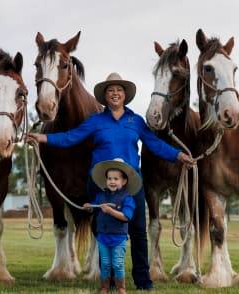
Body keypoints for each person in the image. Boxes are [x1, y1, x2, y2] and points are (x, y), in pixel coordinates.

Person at [28, 72, 194, 290]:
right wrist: (43, 138)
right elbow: (71, 137)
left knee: (138, 233)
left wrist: (178, 155)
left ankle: (143, 280)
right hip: (101, 185)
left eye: (118, 90)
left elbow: (154, 143)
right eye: (110, 91)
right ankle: (109, 280)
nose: (115, 94)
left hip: (131, 185)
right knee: (103, 234)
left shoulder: (136, 121)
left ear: (125, 95)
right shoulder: (96, 121)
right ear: (105, 97)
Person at [83, 158, 141, 294]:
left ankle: (121, 287)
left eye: (116, 179)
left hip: (118, 238)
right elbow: (94, 208)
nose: (112, 181)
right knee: (105, 264)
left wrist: (110, 211)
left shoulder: (128, 198)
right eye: (109, 178)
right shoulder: (101, 195)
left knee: (118, 264)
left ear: (124, 181)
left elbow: (126, 217)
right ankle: (105, 287)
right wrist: (89, 207)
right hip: (103, 236)